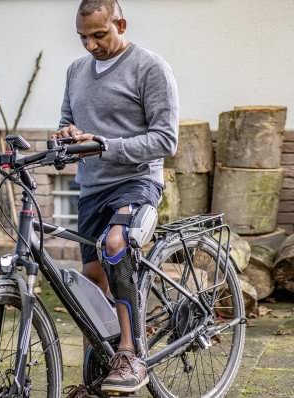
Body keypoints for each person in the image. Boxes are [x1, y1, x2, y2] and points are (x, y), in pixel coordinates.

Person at [54, 0, 179, 395]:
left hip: (136, 181)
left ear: (120, 23)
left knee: (115, 244)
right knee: (92, 283)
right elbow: (66, 123)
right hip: (92, 187)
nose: (90, 46)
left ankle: (131, 354)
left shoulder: (150, 67)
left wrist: (105, 145)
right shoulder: (76, 71)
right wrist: (64, 139)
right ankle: (103, 365)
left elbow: (166, 140)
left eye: (99, 35)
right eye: (83, 38)